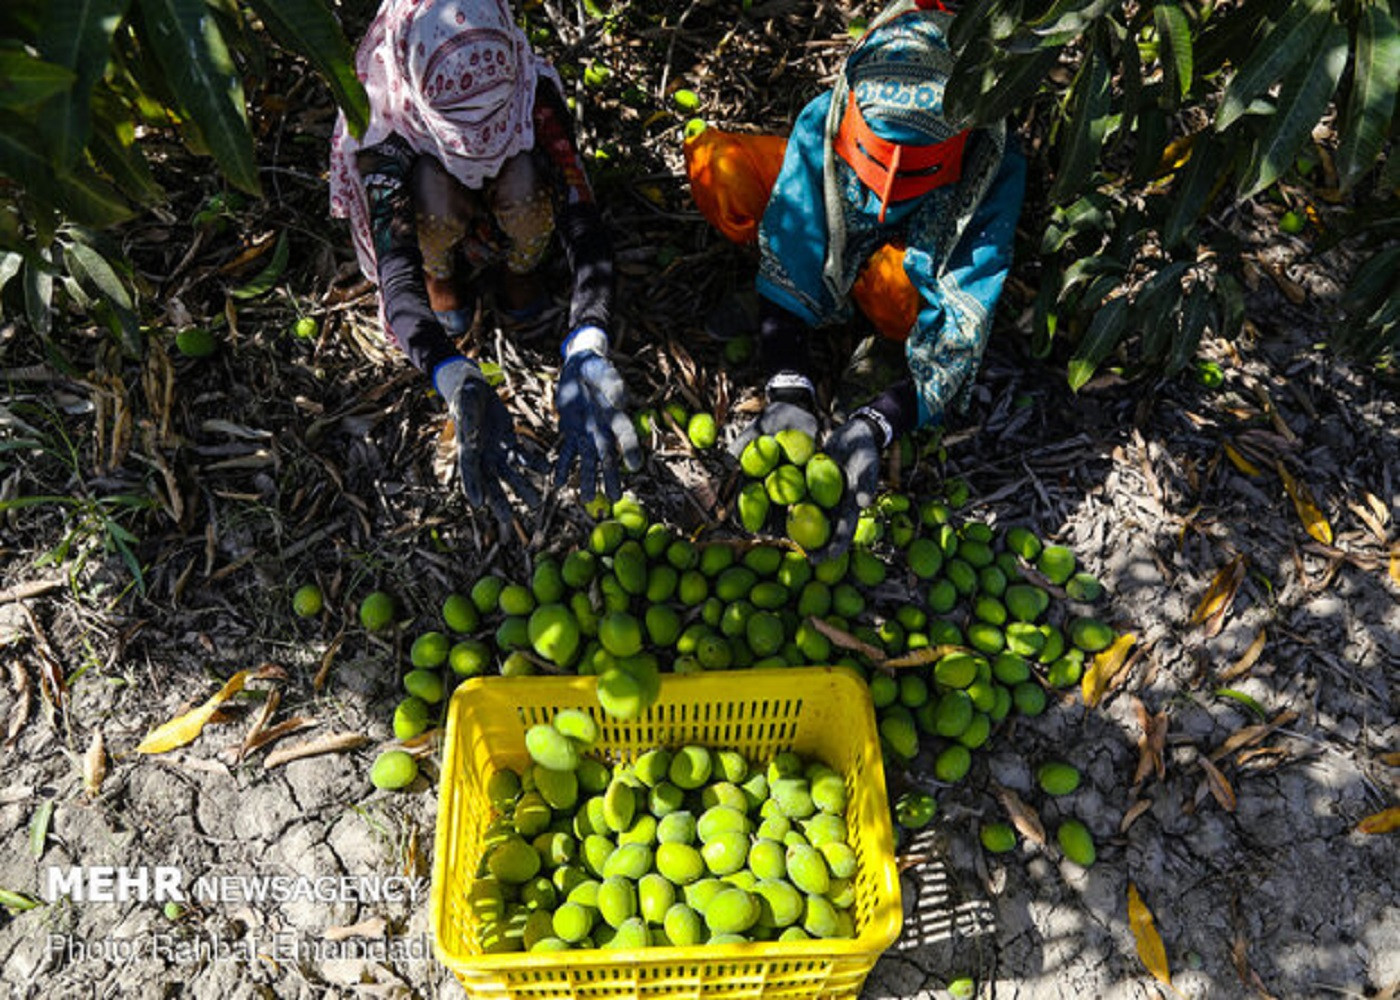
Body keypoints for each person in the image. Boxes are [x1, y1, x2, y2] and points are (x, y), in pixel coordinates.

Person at [686, 0, 1027, 557]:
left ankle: (878, 343)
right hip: (834, 191)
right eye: (880, 157)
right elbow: (799, 225)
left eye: (915, 169)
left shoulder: (990, 165)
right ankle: (793, 302)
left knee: (900, 298)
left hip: (905, 255)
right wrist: (788, 384)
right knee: (719, 168)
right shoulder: (830, 117)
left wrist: (881, 420)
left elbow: (963, 319)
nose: (889, 188)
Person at [329, 0, 640, 528]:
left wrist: (589, 339)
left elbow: (582, 221)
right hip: (437, 209)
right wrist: (451, 375)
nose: (481, 144)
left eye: (493, 125)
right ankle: (445, 284)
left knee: (521, 183)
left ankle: (521, 276)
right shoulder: (388, 123)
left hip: (508, 205)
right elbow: (397, 279)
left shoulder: (528, 93)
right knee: (433, 194)